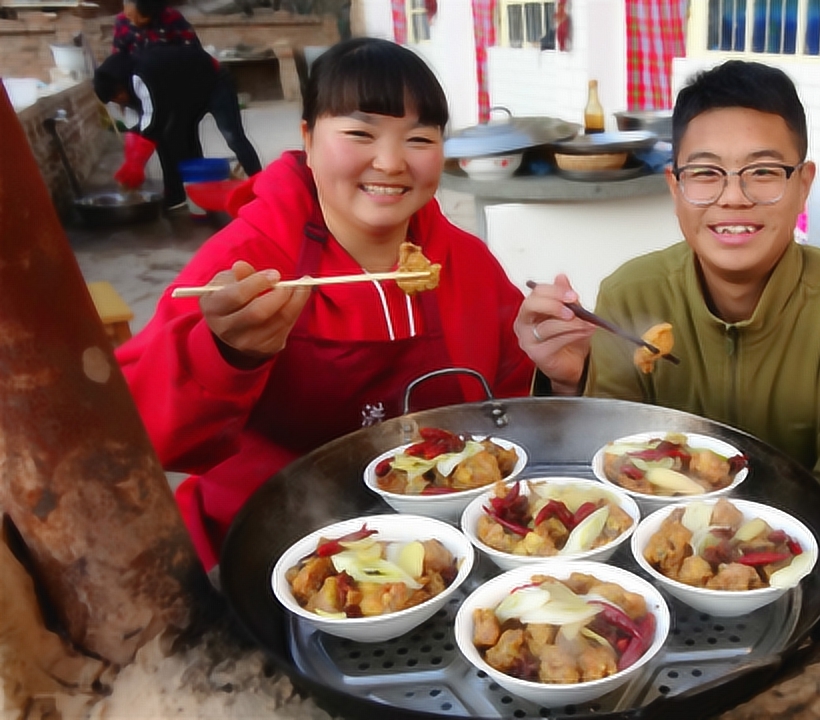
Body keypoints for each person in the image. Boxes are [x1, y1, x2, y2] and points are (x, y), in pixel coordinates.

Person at [516, 60, 820, 680]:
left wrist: (721, 552)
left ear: (803, 185)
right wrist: (569, 385)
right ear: (674, 188)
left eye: (763, 173)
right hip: (660, 538)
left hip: (813, 533)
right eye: (706, 174)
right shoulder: (632, 293)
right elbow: (606, 471)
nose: (733, 197)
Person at [117, 38, 535, 570]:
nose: (390, 161)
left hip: (446, 549)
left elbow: (512, 406)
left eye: (420, 138)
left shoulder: (465, 261)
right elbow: (138, 435)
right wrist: (224, 354)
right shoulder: (248, 260)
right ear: (309, 141)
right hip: (269, 550)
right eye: (361, 133)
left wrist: (561, 368)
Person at [112, 0, 263, 176]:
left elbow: (196, 59)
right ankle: (200, 186)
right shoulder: (122, 23)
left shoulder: (172, 20)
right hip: (171, 91)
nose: (132, 21)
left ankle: (260, 183)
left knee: (233, 136)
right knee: (185, 138)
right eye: (129, 15)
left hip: (211, 83)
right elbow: (119, 64)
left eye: (140, 17)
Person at [94, 45, 218, 209]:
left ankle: (186, 194)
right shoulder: (126, 81)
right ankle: (183, 193)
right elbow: (137, 124)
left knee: (175, 137)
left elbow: (153, 118)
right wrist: (133, 157)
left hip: (202, 78)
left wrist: (139, 159)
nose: (119, 102)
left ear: (120, 88)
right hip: (174, 91)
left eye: (117, 98)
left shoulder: (141, 76)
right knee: (165, 138)